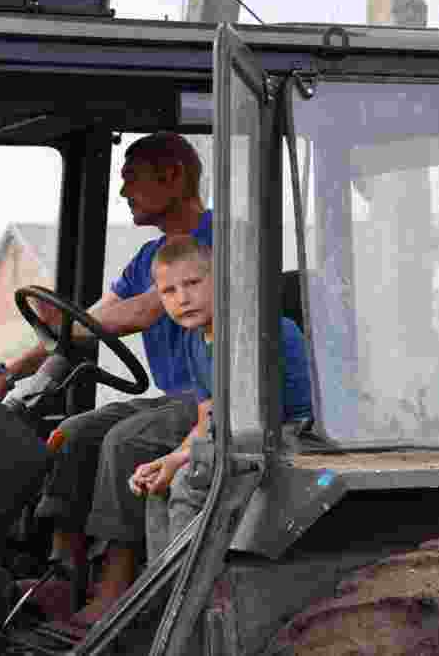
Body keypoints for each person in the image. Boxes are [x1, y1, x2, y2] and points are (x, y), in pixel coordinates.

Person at [0, 133, 212, 618]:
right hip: (174, 397)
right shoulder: (147, 258)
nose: (123, 192)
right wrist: (9, 373)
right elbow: (90, 319)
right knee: (74, 433)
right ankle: (65, 575)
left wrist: (65, 322)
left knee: (126, 440)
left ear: (172, 176)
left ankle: (115, 592)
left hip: (222, 398)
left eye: (131, 178)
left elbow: (143, 311)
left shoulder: (214, 243)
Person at [69, 236, 311, 627]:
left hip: (292, 430)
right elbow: (206, 420)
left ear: (219, 280)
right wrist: (168, 459)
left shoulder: (251, 332)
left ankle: (187, 606)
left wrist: (184, 460)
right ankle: (162, 596)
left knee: (188, 481)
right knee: (159, 485)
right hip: (241, 431)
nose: (182, 298)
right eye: (169, 291)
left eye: (193, 284)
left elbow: (243, 419)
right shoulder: (196, 342)